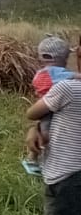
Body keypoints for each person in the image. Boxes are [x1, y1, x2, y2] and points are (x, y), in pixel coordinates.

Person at [25, 41, 81, 215]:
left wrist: (36, 126)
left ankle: (32, 161)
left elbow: (32, 113)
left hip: (67, 176)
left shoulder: (68, 88)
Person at [26, 37, 81, 175]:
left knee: (41, 129)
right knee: (45, 134)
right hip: (50, 106)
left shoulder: (41, 73)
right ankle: (32, 160)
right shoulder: (60, 78)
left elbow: (31, 113)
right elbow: (72, 76)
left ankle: (32, 159)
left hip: (47, 106)